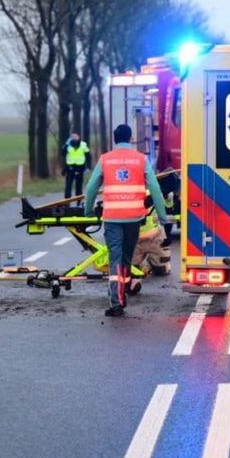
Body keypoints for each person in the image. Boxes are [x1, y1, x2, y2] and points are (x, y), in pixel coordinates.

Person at [90, 125, 167, 317]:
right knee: (125, 257)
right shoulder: (141, 159)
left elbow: (91, 187)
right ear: (131, 138)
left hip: (112, 218)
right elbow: (155, 188)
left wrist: (87, 209)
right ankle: (121, 296)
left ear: (114, 139)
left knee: (115, 257)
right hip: (134, 218)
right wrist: (162, 214)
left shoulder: (105, 159)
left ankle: (116, 302)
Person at [62, 133, 91, 199]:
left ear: (79, 137)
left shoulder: (83, 144)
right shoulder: (68, 144)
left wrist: (88, 166)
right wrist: (66, 144)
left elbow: (88, 155)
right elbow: (63, 153)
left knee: (79, 186)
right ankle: (67, 202)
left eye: (76, 137)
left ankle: (79, 202)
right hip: (70, 168)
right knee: (68, 186)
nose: (75, 138)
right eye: (73, 137)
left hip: (80, 168)